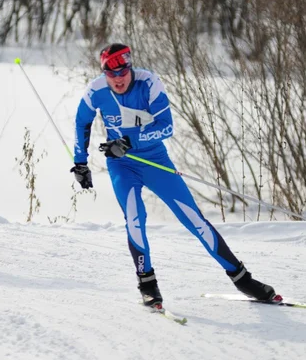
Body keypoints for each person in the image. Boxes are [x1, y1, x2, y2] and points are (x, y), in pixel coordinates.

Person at [70, 43, 276, 307]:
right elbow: (81, 122)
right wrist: (80, 163)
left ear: (130, 68)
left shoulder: (149, 83)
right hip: (123, 165)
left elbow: (166, 127)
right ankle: (147, 283)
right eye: (111, 74)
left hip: (156, 161)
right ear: (104, 74)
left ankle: (242, 279)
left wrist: (129, 142)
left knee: (194, 219)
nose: (118, 79)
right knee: (134, 219)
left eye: (122, 71)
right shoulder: (95, 90)